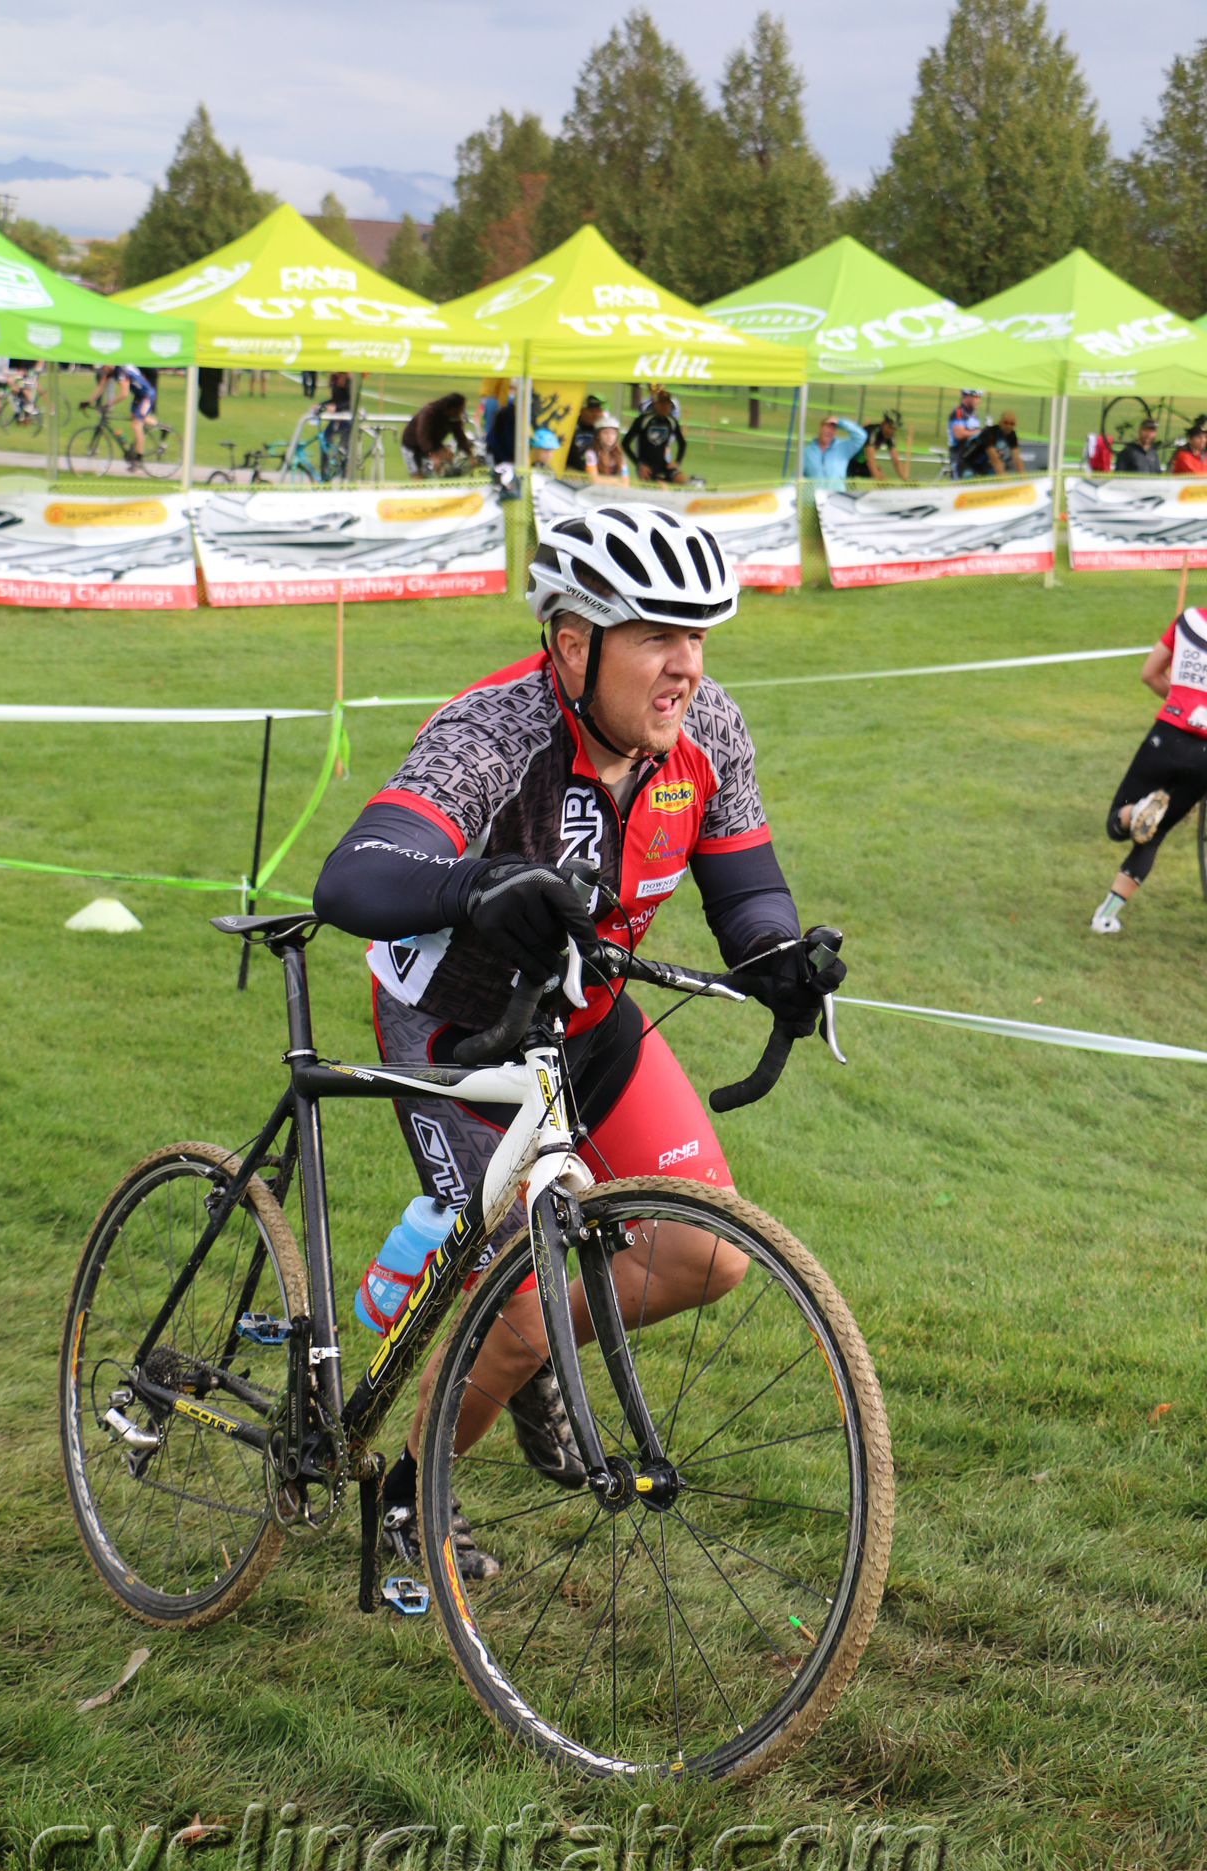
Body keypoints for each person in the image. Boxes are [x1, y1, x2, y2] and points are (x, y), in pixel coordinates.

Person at [312, 502, 846, 1576]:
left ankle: (522, 1348)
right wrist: (473, 883)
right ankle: (411, 1500)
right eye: (656, 634)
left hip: (587, 1020)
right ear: (571, 641)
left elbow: (746, 892)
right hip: (459, 1037)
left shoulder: (708, 731)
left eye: (697, 636)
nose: (684, 666)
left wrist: (779, 956)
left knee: (704, 1254)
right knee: (514, 1296)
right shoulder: (494, 733)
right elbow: (353, 877)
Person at [1091, 605, 1207, 933]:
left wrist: (1181, 701)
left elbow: (1149, 674)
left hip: (1168, 733)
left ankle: (1136, 811)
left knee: (1117, 823)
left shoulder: (1189, 619)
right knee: (1152, 840)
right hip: (1204, 756)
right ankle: (1104, 917)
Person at [82, 364, 155, 465]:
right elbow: (100, 386)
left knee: (136, 425)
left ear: (107, 365)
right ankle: (158, 425)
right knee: (136, 419)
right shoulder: (110, 370)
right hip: (139, 395)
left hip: (146, 395)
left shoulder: (121, 370)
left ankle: (139, 459)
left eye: (102, 368)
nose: (102, 371)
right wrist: (88, 402)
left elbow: (124, 393)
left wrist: (109, 404)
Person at [623, 387, 687, 483]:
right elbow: (625, 443)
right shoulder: (644, 419)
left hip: (662, 464)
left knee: (681, 479)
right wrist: (639, 464)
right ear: (656, 404)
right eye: (662, 404)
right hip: (646, 466)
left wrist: (677, 462)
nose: (665, 407)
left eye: (667, 404)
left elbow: (682, 443)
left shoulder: (671, 421)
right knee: (660, 486)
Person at [402, 391, 471, 477]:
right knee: (418, 479)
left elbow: (459, 435)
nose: (462, 412)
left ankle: (446, 482)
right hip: (412, 446)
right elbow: (423, 436)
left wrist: (469, 455)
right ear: (453, 409)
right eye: (461, 409)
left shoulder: (453, 416)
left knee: (454, 462)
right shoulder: (429, 412)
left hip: (433, 443)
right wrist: (433, 457)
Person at [801, 413, 868, 489]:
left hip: (836, 497)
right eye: (828, 427)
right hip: (815, 498)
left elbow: (861, 436)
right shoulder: (807, 451)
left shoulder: (843, 448)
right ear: (820, 428)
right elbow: (795, 477)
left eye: (834, 428)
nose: (830, 431)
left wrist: (841, 422)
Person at [957, 410, 1026, 478]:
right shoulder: (990, 433)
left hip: (982, 465)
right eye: (1005, 423)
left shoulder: (1012, 435)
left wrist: (1023, 479)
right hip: (967, 463)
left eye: (1012, 424)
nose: (1008, 426)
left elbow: (1016, 458)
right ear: (1000, 422)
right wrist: (1006, 480)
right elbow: (994, 459)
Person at [846, 411, 906, 482]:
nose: (891, 431)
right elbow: (870, 459)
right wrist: (876, 479)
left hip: (862, 463)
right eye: (889, 427)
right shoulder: (873, 432)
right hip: (848, 461)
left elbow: (895, 460)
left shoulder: (889, 436)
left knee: (884, 481)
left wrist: (904, 480)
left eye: (894, 429)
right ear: (883, 423)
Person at [582, 411, 629, 484]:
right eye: (606, 433)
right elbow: (593, 480)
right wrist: (617, 481)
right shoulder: (591, 453)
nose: (610, 437)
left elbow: (626, 484)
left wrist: (603, 480)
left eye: (613, 433)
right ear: (598, 435)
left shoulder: (620, 456)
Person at [564, 393, 607, 473]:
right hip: (569, 467)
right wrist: (582, 468)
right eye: (591, 411)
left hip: (589, 468)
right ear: (582, 411)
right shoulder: (572, 425)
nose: (594, 415)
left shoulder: (598, 428)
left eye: (596, 411)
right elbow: (571, 449)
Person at [947, 390, 984, 478]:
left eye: (979, 398)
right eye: (976, 397)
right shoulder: (959, 412)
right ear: (967, 396)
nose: (978, 401)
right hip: (959, 455)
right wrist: (978, 432)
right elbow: (959, 434)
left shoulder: (973, 414)